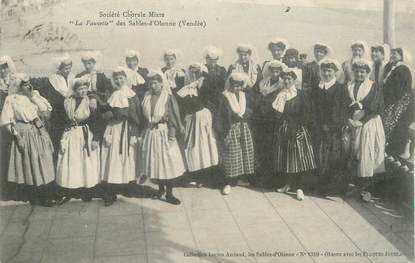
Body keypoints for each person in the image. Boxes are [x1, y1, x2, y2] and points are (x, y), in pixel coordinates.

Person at [0, 74, 55, 206]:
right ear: (18, 86)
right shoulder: (11, 99)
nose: (28, 86)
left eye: (29, 83)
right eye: (25, 84)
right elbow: (7, 121)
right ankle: (34, 196)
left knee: (43, 161)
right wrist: (17, 136)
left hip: (38, 130)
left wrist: (33, 97)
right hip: (24, 132)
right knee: (30, 163)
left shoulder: (34, 95)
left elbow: (45, 110)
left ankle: (44, 194)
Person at [342, 59, 385, 200]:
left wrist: (361, 121)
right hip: (353, 123)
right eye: (357, 71)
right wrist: (349, 119)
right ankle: (355, 185)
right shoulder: (349, 85)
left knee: (366, 154)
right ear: (353, 72)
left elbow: (376, 107)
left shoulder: (373, 86)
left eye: (362, 72)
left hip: (368, 123)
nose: (359, 74)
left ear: (367, 73)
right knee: (353, 152)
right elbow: (345, 104)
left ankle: (365, 189)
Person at [140, 72, 186, 205]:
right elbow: (145, 117)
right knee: (156, 162)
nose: (153, 86)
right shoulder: (147, 96)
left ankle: (169, 193)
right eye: (151, 83)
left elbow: (173, 117)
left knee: (168, 162)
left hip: (164, 132)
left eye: (156, 83)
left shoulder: (167, 97)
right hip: (151, 132)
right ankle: (160, 189)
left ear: (162, 83)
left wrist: (172, 135)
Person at [100, 67, 142, 206]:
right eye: (116, 78)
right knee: (112, 159)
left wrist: (135, 132)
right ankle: (111, 192)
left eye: (121, 78)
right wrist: (110, 114)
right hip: (114, 129)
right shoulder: (112, 94)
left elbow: (136, 115)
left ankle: (127, 187)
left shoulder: (132, 95)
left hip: (126, 129)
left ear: (126, 78)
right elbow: (105, 111)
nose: (119, 81)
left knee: (127, 157)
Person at [55, 78, 101, 204]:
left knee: (85, 161)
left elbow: (97, 121)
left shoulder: (90, 102)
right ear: (74, 90)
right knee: (70, 161)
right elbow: (61, 119)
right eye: (80, 89)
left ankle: (87, 191)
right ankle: (68, 191)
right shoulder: (67, 102)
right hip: (71, 134)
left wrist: (96, 138)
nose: (83, 91)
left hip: (85, 133)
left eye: (85, 88)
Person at [274, 69, 316, 201]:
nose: (287, 81)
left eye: (289, 79)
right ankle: (288, 184)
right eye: (285, 79)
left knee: (299, 158)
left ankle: (299, 187)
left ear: (294, 80)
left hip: (298, 128)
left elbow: (308, 112)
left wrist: (299, 124)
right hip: (284, 129)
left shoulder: (301, 94)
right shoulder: (280, 94)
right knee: (285, 157)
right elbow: (276, 113)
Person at [177, 63, 219, 187]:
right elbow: (181, 107)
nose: (194, 75)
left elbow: (213, 99)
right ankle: (193, 176)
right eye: (192, 72)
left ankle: (204, 177)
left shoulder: (204, 85)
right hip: (190, 120)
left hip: (203, 120)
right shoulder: (185, 88)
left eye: (197, 72)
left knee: (205, 147)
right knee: (191, 147)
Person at [214, 72, 255, 195]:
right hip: (230, 127)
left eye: (239, 86)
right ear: (230, 85)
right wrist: (222, 130)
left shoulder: (244, 95)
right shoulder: (225, 96)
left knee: (243, 153)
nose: (236, 88)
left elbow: (251, 108)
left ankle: (239, 179)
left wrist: (246, 114)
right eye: (234, 86)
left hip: (243, 127)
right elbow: (221, 113)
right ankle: (228, 182)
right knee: (231, 153)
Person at [310, 59, 346, 195]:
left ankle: (329, 188)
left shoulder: (339, 88)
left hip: (332, 130)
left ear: (334, 72)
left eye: (329, 71)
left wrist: (332, 125)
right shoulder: (316, 87)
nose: (326, 73)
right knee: (317, 155)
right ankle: (316, 184)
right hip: (317, 127)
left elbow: (341, 110)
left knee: (331, 157)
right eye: (324, 70)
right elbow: (312, 106)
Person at [36, 54, 75, 162]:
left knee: (70, 141)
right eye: (65, 68)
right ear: (59, 68)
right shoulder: (53, 79)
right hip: (58, 114)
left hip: (71, 112)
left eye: (69, 68)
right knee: (58, 140)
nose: (67, 70)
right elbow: (50, 98)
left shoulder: (73, 77)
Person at [253, 60, 287, 179]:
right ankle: (261, 174)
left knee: (272, 146)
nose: (275, 73)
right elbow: (257, 97)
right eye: (273, 71)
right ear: (269, 71)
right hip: (262, 118)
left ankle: (272, 176)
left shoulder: (283, 84)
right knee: (262, 145)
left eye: (278, 71)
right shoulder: (263, 82)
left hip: (274, 119)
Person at [382, 48, 413, 157]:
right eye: (391, 54)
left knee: (395, 124)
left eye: (395, 54)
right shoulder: (391, 67)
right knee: (389, 124)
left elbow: (398, 89)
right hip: (392, 100)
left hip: (400, 102)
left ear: (402, 56)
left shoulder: (402, 69)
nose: (392, 55)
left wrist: (389, 101)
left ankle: (396, 152)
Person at [76, 51, 112, 141]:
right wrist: (90, 97)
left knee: (99, 125)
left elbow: (107, 91)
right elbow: (77, 91)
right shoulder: (80, 76)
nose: (87, 66)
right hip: (85, 105)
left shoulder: (101, 76)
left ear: (94, 63)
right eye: (85, 64)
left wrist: (95, 98)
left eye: (89, 63)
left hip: (99, 105)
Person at [0, 56, 18, 200]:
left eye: (5, 67)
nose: (3, 70)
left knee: (13, 154)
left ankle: (14, 190)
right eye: (0, 68)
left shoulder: (13, 82)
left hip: (12, 121)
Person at [200, 46, 227, 113]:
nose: (212, 63)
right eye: (210, 60)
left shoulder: (222, 70)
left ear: (217, 59)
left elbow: (224, 84)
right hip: (205, 97)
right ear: (206, 59)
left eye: (214, 61)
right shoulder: (202, 69)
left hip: (218, 97)